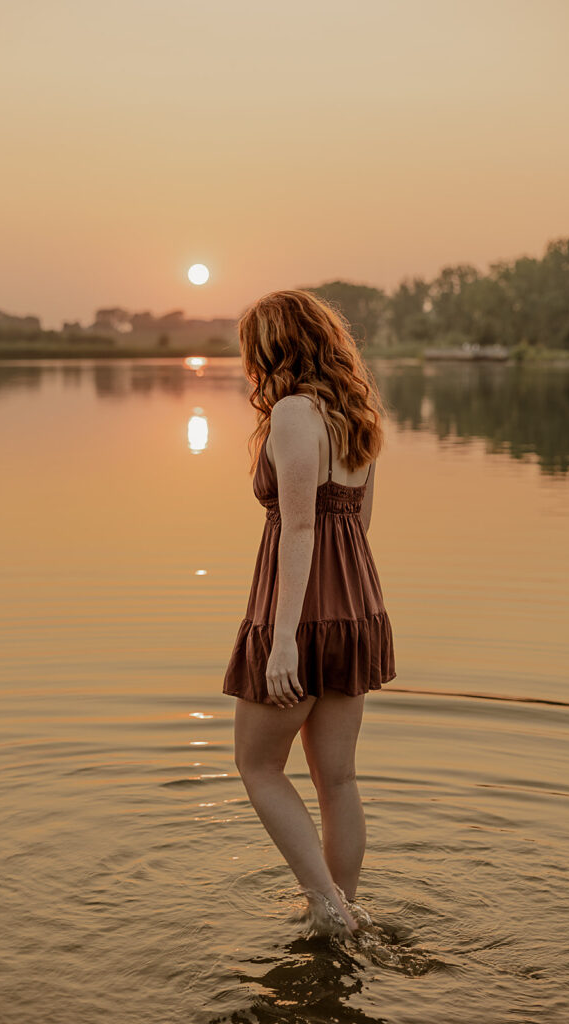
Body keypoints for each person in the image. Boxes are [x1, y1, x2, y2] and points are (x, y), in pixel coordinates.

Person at [222, 288, 397, 937]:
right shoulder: (355, 411)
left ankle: (326, 905)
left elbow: (299, 529)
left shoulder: (294, 413)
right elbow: (360, 521)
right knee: (338, 778)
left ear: (272, 347)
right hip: (356, 603)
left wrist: (286, 640)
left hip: (297, 609)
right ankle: (343, 909)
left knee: (257, 765)